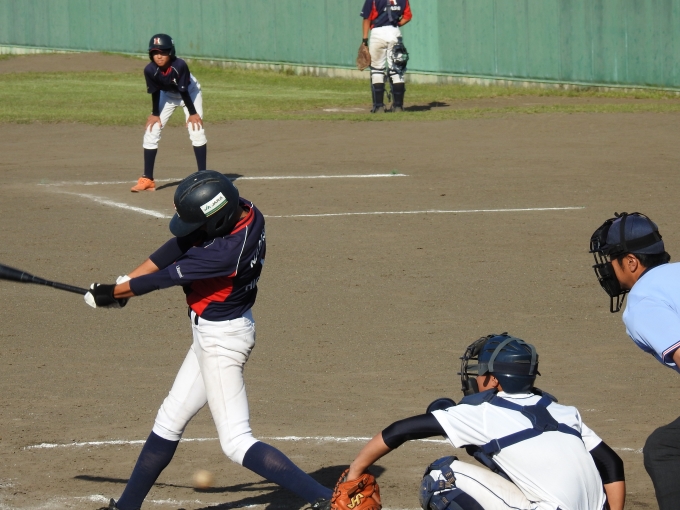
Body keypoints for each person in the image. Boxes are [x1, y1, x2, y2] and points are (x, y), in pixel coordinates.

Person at [86, 171, 332, 510]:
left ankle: (327, 500)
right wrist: (123, 284)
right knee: (170, 418)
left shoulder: (223, 255)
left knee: (236, 441)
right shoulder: (246, 211)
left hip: (221, 341)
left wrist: (114, 293)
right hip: (214, 333)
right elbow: (178, 244)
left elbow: (163, 278)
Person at [340, 334, 625, 510]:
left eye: (480, 371)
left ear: (495, 380)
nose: (475, 377)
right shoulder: (564, 411)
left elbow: (399, 431)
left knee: (440, 478)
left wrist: (356, 471)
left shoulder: (482, 414)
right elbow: (612, 463)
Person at [589, 212, 678, 509]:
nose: (607, 268)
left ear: (630, 262)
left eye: (610, 259)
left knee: (665, 449)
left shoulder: (643, 300)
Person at [131, 34, 208, 192]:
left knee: (196, 129)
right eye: (155, 52)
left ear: (171, 52)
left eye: (163, 52)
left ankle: (203, 176)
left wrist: (193, 113)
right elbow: (155, 91)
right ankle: (148, 179)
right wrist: (155, 114)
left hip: (190, 93)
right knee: (152, 129)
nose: (159, 56)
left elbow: (183, 90)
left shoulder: (179, 65)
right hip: (167, 95)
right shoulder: (150, 69)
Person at [360, 0, 412, 113]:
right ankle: (398, 106)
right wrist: (396, 25)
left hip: (377, 33)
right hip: (394, 33)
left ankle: (379, 106)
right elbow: (407, 17)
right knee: (397, 69)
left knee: (377, 69)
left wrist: (364, 40)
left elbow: (366, 18)